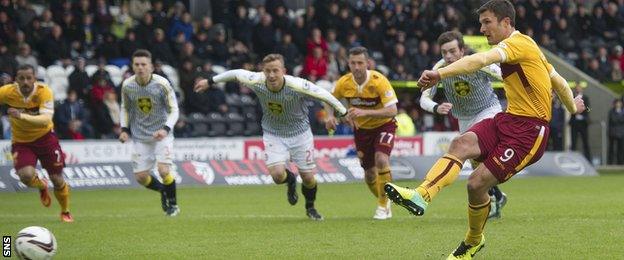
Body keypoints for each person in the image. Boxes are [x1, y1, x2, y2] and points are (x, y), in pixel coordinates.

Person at [384, 1, 585, 258]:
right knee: (460, 145)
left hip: (529, 132)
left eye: (487, 22)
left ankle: (472, 241)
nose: (482, 29)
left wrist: (440, 74)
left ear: (506, 22)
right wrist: (572, 108)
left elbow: (479, 60)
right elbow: (558, 81)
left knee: (475, 183)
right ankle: (420, 195)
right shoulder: (528, 47)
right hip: (508, 119)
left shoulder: (516, 44)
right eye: (481, 23)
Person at [194, 54, 347, 220]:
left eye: (275, 70)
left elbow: (324, 94)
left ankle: (310, 207)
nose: (272, 75)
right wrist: (210, 82)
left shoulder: (297, 85)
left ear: (284, 71)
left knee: (309, 178)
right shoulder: (256, 80)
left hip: (300, 134)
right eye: (268, 71)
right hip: (274, 134)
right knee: (277, 176)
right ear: (263, 71)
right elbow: (236, 73)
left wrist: (342, 112)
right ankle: (290, 180)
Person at [419, 31, 507, 219]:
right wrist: (436, 107)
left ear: (462, 50)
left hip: (488, 110)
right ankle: (497, 197)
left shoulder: (478, 62)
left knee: (480, 158)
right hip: (464, 119)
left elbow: (505, 77)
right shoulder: (440, 68)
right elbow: (424, 99)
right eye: (444, 52)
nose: (448, 56)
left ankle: (491, 201)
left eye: (452, 51)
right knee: (478, 166)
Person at [324, 46, 399, 220]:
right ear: (348, 63)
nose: (356, 67)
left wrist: (364, 112)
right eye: (353, 63)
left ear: (368, 63)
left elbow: (393, 110)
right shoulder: (344, 82)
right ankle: (385, 200)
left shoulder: (379, 81)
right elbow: (328, 99)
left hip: (384, 125)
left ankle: (382, 205)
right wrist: (329, 116)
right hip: (362, 131)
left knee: (381, 159)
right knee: (369, 174)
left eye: (360, 63)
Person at [0, 65, 73, 222]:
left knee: (57, 179)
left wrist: (21, 116)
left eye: (29, 78)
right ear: (15, 80)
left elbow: (45, 119)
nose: (25, 82)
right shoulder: (7, 92)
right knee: (26, 176)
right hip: (21, 141)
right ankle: (41, 185)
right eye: (21, 78)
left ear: (34, 78)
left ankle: (65, 211)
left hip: (46, 138)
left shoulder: (43, 91)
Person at [119, 49, 180, 216]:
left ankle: (173, 205)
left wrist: (165, 129)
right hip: (140, 137)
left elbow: (174, 110)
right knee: (141, 177)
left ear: (151, 67)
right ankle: (163, 191)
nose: (140, 68)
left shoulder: (162, 84)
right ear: (132, 66)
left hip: (162, 135)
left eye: (144, 64)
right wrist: (124, 129)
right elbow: (125, 108)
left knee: (164, 171)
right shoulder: (128, 85)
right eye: (137, 64)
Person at [569, 85, 592, 161]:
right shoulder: (572, 97)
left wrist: (584, 108)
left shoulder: (586, 98)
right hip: (574, 123)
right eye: (577, 88)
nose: (578, 90)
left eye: (579, 88)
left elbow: (589, 109)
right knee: (573, 142)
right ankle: (572, 160)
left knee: (585, 142)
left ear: (582, 89)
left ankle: (588, 160)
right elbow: (569, 108)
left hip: (583, 123)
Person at [608, 98, 624, 165]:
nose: (618, 104)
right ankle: (610, 163)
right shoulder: (611, 111)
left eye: (619, 103)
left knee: (620, 149)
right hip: (613, 132)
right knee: (611, 149)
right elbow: (613, 120)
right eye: (617, 103)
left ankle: (620, 163)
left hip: (621, 133)